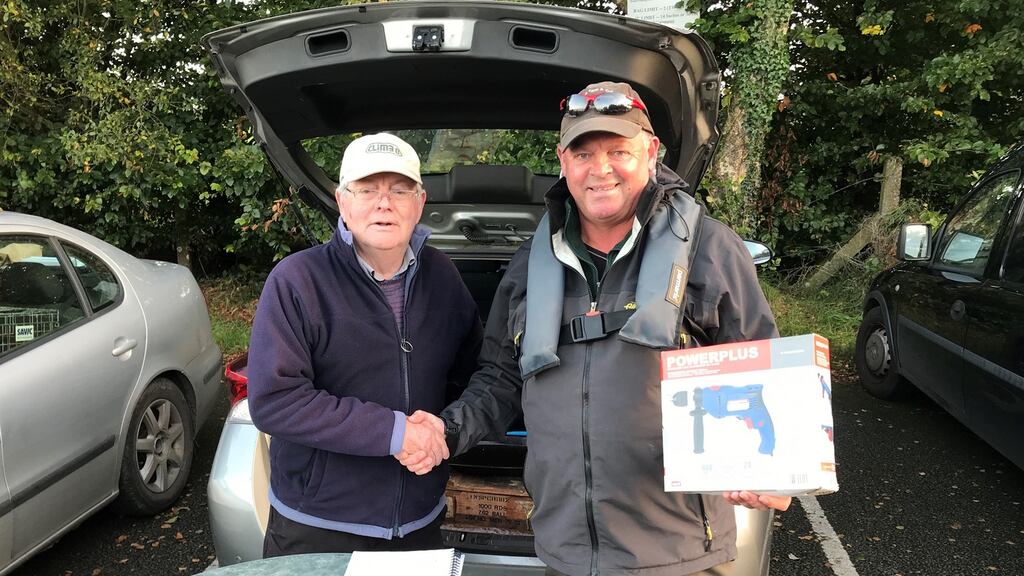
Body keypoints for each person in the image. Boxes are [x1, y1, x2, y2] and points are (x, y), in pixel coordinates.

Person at [401, 82, 791, 575]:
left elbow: (762, 367)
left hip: (678, 551)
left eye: (618, 151)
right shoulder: (528, 266)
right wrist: (445, 430)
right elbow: (501, 379)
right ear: (563, 162)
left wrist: (774, 466)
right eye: (583, 153)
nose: (600, 169)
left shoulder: (708, 249)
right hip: (565, 548)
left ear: (650, 153)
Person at [247, 132, 482, 557]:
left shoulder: (442, 275)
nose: (384, 203)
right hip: (318, 524)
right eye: (368, 189)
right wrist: (395, 433)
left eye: (399, 190)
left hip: (419, 521)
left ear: (420, 202)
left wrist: (442, 429)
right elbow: (276, 401)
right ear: (342, 201)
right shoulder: (297, 280)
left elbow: (472, 371)